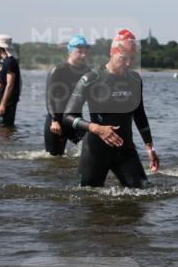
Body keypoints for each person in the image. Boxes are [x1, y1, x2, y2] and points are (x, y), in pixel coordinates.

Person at [63, 29, 159, 187]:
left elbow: (139, 114)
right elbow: (67, 116)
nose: (128, 63)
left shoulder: (135, 79)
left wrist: (150, 148)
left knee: (143, 194)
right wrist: (97, 128)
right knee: (87, 200)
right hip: (96, 151)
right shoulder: (91, 79)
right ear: (113, 53)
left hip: (125, 150)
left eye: (132, 59)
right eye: (124, 58)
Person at [44, 35, 92, 155]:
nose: (84, 55)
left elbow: (92, 98)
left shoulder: (87, 72)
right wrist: (54, 120)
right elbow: (49, 98)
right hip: (57, 122)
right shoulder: (58, 70)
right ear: (70, 51)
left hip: (75, 120)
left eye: (86, 52)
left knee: (91, 148)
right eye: (79, 51)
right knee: (54, 159)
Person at [0, 34, 21, 127]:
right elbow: (5, 82)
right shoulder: (6, 61)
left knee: (5, 131)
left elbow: (10, 85)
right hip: (2, 102)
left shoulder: (9, 62)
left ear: (0, 47)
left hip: (7, 104)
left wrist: (3, 104)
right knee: (2, 131)